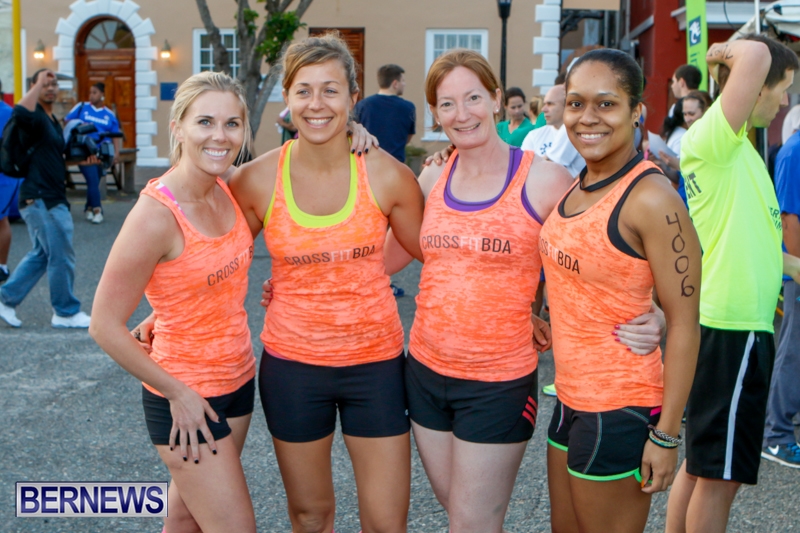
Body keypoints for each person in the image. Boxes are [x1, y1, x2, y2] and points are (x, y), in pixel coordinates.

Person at [379, 49, 666, 533]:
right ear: (434, 113)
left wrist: (655, 309)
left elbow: (603, 249)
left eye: (473, 98)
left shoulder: (545, 179)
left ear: (495, 99)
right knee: (458, 511)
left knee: (471, 523)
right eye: (447, 104)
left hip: (498, 383)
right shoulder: (431, 176)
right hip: (424, 372)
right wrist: (293, 279)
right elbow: (384, 260)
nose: (462, 113)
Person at [231, 33, 424, 533]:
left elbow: (437, 250)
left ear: (353, 98)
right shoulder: (256, 179)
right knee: (310, 516)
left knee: (386, 523)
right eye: (304, 90)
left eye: (331, 90)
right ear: (287, 98)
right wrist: (161, 311)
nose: (316, 104)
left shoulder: (387, 175)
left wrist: (526, 305)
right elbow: (212, 257)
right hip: (293, 370)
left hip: (375, 367)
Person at [90, 71, 258, 533]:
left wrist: (354, 133)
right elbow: (103, 324)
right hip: (186, 397)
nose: (219, 136)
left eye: (231, 124)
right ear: (178, 128)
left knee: (186, 517)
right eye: (205, 122)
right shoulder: (155, 216)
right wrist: (177, 393)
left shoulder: (229, 185)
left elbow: (298, 161)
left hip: (239, 378)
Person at [542, 48, 701, 533]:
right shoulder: (580, 182)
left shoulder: (652, 199)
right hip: (570, 398)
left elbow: (686, 323)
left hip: (620, 407)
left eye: (606, 104)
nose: (587, 118)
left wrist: (667, 436)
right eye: (576, 103)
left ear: (637, 112)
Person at [666, 35, 800, 533]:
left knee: (702, 463)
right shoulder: (717, 140)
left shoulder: (739, 149)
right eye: (781, 89)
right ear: (755, 85)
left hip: (730, 325)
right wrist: (723, 52)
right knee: (720, 478)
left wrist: (793, 265)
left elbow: (754, 241)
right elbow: (757, 55)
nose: (784, 102)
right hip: (733, 327)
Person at [0, 69, 91, 329]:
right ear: (34, 87)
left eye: (53, 84)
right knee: (61, 254)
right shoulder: (34, 117)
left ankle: (5, 299)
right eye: (44, 84)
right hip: (41, 198)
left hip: (50, 196)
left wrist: (82, 160)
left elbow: (52, 158)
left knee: (42, 254)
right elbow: (20, 111)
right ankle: (65, 312)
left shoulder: (51, 120)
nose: (50, 88)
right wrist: (38, 82)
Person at [762, 104, 800, 469]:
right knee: (793, 351)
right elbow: (789, 219)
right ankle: (777, 435)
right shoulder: (794, 150)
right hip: (797, 271)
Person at [64, 82, 121, 224]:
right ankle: (97, 210)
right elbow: (67, 122)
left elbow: (115, 135)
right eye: (90, 92)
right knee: (92, 179)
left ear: (102, 94)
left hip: (102, 151)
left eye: (95, 92)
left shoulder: (109, 114)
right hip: (84, 150)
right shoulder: (82, 107)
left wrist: (116, 153)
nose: (91, 95)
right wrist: (80, 125)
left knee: (95, 179)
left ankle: (88, 208)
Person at [353, 63, 416, 163]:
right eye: (403, 80)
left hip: (367, 164)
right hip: (396, 165)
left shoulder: (362, 105)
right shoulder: (408, 107)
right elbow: (407, 138)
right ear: (395, 84)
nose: (405, 84)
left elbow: (354, 132)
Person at [0, 78, 19, 283]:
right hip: (6, 176)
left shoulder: (7, 113)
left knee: (1, 219)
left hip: (3, 176)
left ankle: (2, 266)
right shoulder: (10, 112)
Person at [521, 84, 565, 156]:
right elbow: (525, 162)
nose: (543, 109)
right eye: (544, 104)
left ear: (566, 105)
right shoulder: (534, 136)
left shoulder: (578, 138)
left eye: (550, 104)